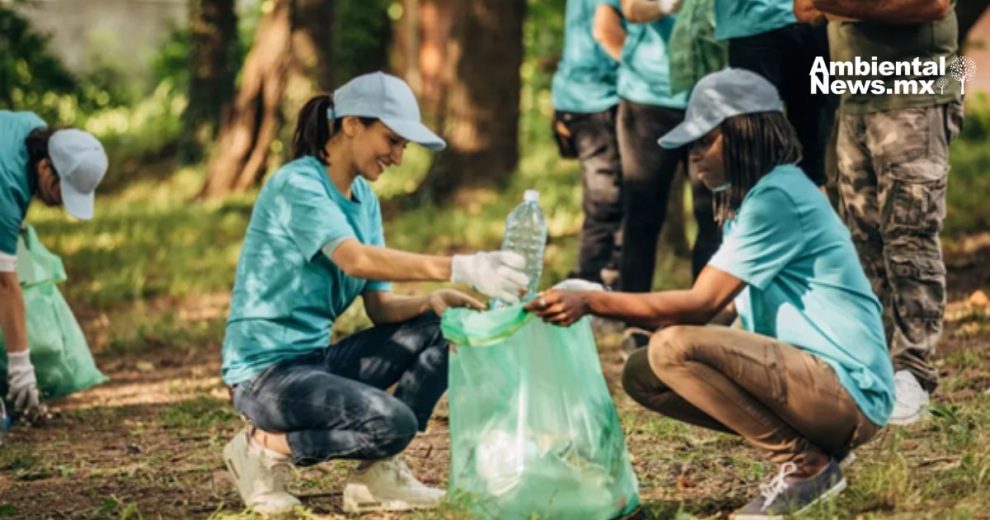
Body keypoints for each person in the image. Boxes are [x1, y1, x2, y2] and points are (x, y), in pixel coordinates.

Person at [526, 69, 894, 517]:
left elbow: (700, 304)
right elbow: (714, 318)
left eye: (704, 142)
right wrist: (600, 299)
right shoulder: (751, 204)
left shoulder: (778, 196)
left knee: (671, 348)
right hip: (819, 388)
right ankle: (811, 450)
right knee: (645, 371)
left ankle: (804, 466)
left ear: (744, 133)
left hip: (847, 392)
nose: (694, 157)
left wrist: (594, 300)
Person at [220, 72, 530, 515]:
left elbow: (379, 305)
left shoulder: (364, 199)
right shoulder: (298, 185)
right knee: (392, 422)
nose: (399, 157)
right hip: (265, 377)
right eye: (392, 140)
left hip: (316, 362)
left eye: (404, 146)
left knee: (447, 328)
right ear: (351, 125)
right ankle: (264, 447)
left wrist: (431, 301)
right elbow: (355, 260)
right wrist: (460, 266)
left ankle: (375, 476)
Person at [798, 0, 963, 425]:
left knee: (910, 235)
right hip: (855, 98)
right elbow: (804, 9)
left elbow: (931, 4)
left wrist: (839, 5)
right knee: (862, 241)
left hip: (915, 96)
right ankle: (878, 366)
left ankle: (914, 372)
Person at [615, 0, 721, 350]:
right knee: (642, 212)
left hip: (713, 98)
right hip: (648, 99)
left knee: (713, 215)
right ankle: (635, 323)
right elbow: (630, 10)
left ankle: (703, 322)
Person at [0, 111, 108, 421]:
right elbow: (5, 285)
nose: (61, 202)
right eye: (62, 190)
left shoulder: (32, 129)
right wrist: (21, 368)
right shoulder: (6, 190)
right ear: (45, 166)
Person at [714, 0, 833, 187]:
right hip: (752, 25)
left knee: (817, 144)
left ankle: (812, 207)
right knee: (754, 140)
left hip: (814, 18)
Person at [551, 0, 625, 286]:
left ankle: (603, 282)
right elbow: (605, 31)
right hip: (596, 99)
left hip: (577, 96)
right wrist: (645, 71)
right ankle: (589, 283)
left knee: (611, 198)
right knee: (606, 201)